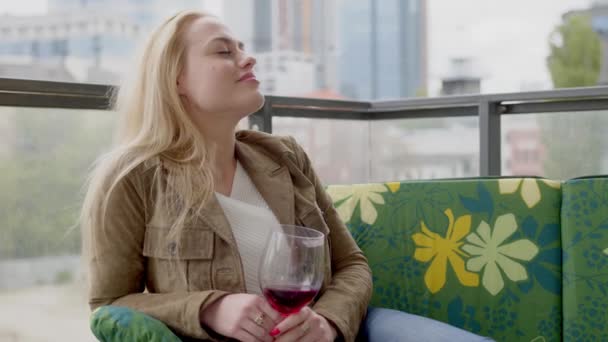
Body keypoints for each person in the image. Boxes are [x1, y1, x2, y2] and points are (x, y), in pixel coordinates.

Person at [82, 10, 492, 342]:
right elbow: (110, 304)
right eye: (224, 52)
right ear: (177, 80)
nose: (247, 58)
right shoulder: (130, 177)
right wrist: (208, 308)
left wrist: (328, 322)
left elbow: (351, 265)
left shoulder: (285, 156)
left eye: (243, 48)